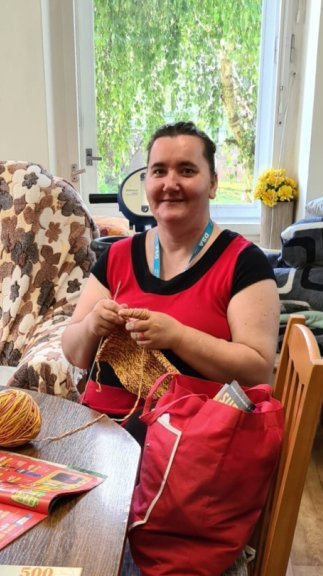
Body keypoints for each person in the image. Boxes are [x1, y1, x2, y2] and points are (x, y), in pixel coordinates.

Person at [61, 121, 280, 421]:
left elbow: (257, 373)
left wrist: (178, 337)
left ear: (213, 184)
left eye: (187, 171)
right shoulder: (117, 257)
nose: (170, 183)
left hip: (192, 437)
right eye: (159, 171)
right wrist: (91, 326)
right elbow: (74, 352)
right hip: (103, 431)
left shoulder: (244, 262)